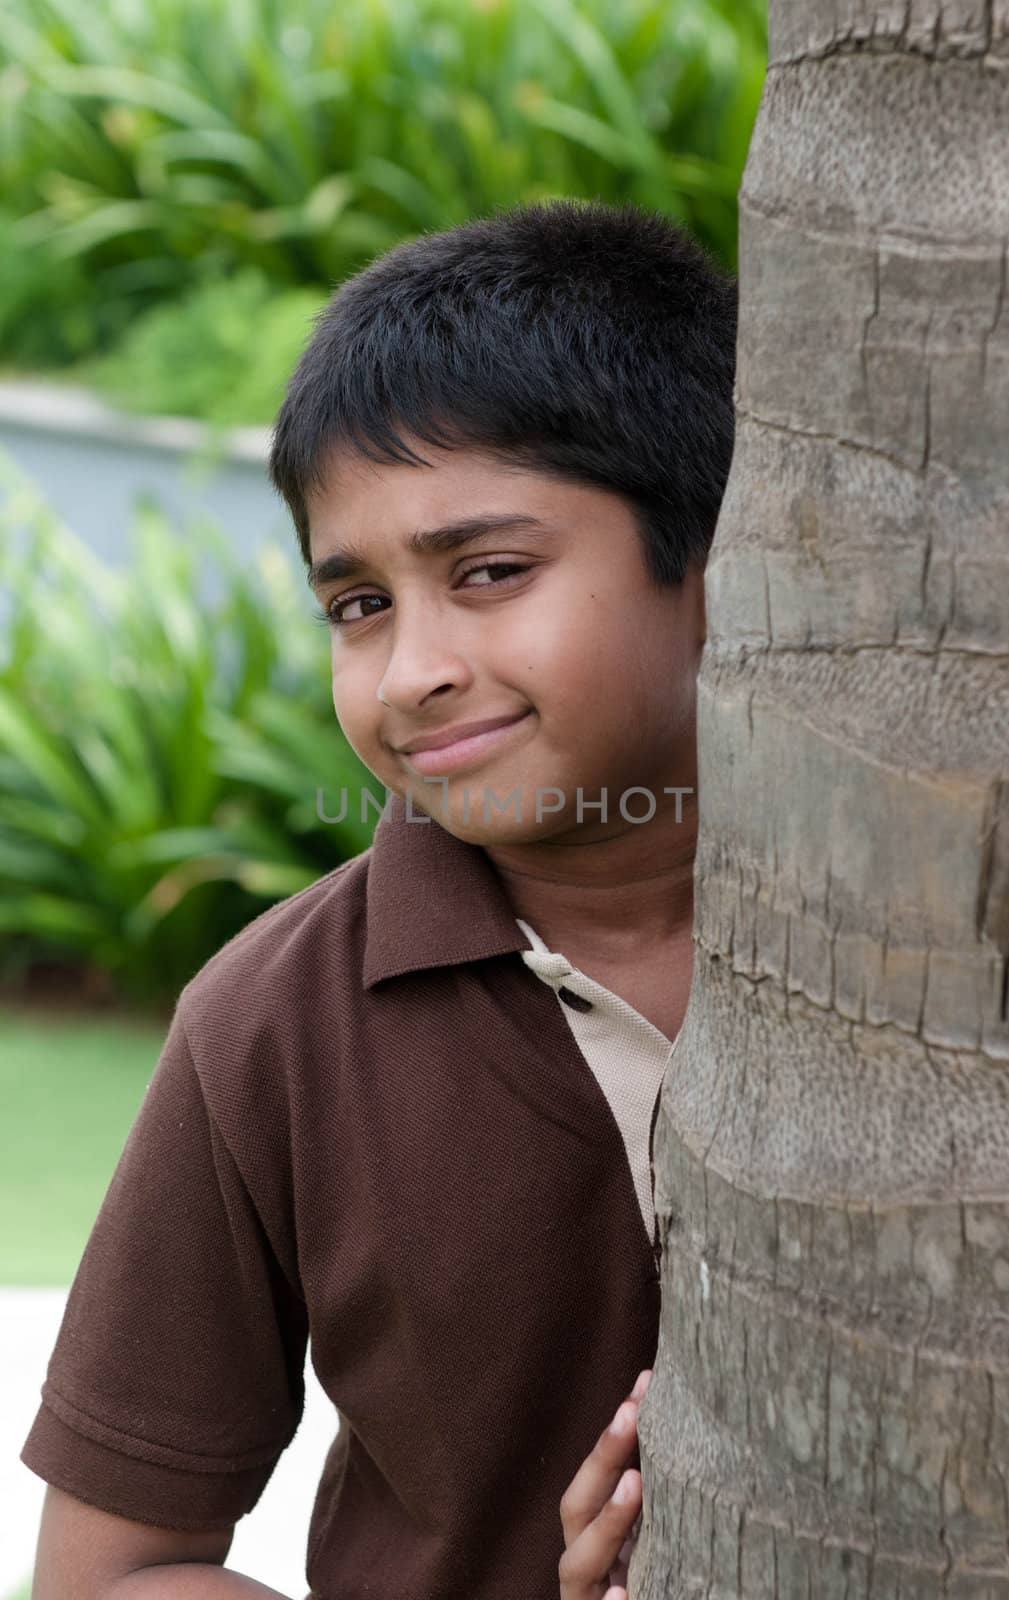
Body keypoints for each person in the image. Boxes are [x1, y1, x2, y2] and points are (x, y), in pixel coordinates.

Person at [21, 198, 737, 1599]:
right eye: (356, 605)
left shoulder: (958, 966)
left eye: (489, 573)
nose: (410, 670)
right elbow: (107, 1573)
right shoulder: (271, 1024)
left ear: (717, 558)